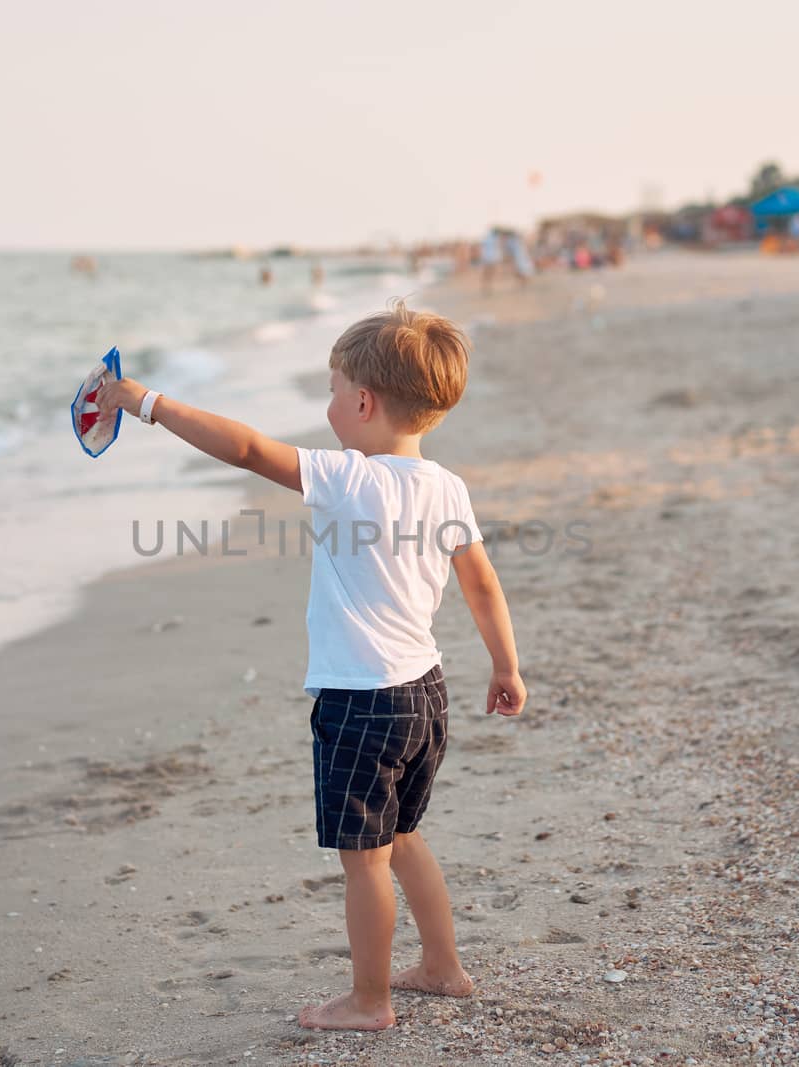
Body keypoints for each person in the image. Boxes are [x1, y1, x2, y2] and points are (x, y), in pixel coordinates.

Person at [96, 301, 527, 1032]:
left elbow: (246, 449)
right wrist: (505, 666)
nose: (328, 405)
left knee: (364, 858)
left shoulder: (347, 478)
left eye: (332, 391)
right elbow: (480, 581)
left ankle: (370, 1000)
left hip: (362, 699)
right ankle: (444, 966)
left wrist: (146, 402)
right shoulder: (446, 486)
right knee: (406, 836)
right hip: (427, 692)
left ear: (363, 402)